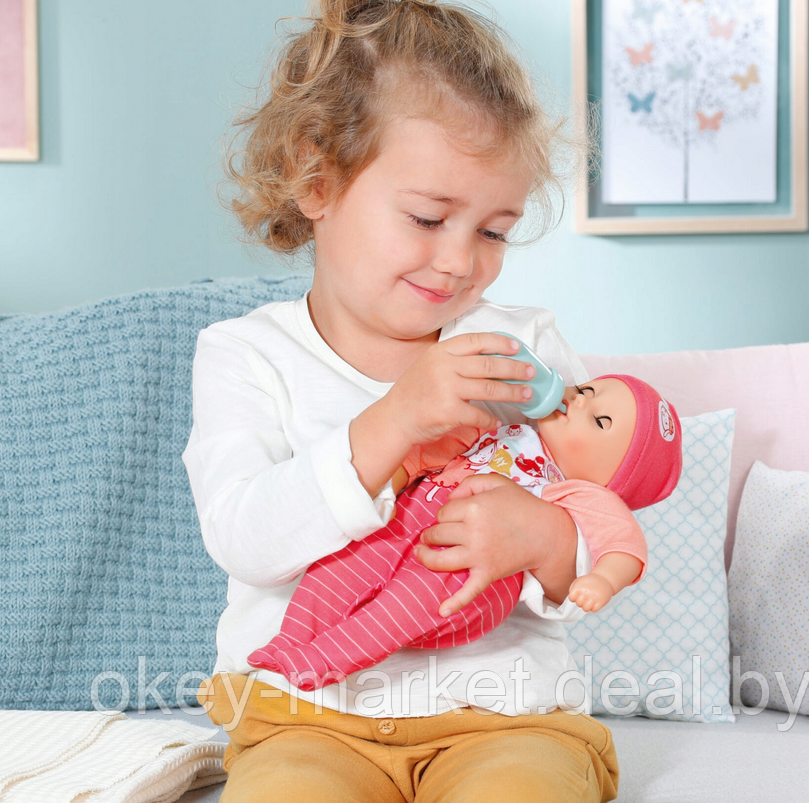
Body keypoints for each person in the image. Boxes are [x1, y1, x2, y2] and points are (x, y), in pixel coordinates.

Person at [183, 1, 633, 801]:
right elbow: (245, 538)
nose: (461, 262)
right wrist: (393, 420)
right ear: (315, 178)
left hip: (509, 719)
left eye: (494, 231)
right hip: (304, 718)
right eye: (428, 217)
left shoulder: (524, 349)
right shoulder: (246, 355)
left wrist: (546, 536)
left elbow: (605, 525)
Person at [246, 375, 682, 691]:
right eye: (587, 391)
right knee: (343, 565)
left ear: (611, 477)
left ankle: (321, 662)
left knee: (407, 604)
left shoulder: (580, 494)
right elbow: (424, 453)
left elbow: (625, 545)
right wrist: (392, 486)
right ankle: (288, 642)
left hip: (475, 570)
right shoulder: (500, 428)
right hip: (415, 514)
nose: (579, 402)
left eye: (600, 421)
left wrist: (602, 579)